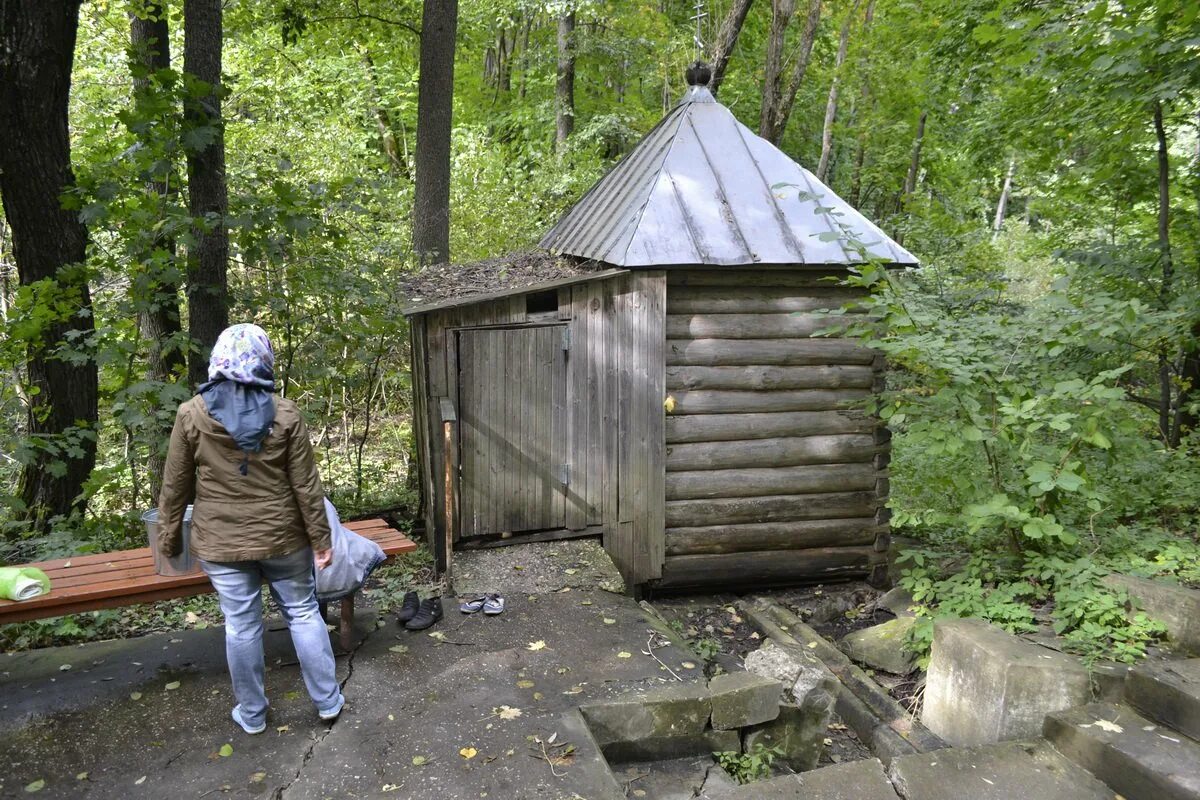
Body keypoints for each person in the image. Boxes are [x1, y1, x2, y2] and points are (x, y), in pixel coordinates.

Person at [156, 323, 344, 735]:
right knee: (302, 612)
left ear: (218, 360)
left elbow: (175, 486)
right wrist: (321, 541)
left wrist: (169, 539)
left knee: (241, 625)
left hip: (221, 544)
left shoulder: (191, 413)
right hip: (284, 539)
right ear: (264, 359)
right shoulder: (286, 412)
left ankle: (253, 714)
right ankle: (328, 701)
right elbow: (307, 486)